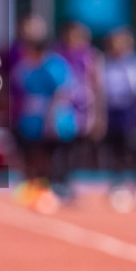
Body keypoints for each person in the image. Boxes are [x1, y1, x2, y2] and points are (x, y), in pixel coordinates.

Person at [10, 14, 78, 214]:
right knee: (32, 156)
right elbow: (21, 89)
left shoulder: (54, 64)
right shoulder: (25, 65)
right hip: (31, 121)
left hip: (55, 121)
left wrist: (52, 118)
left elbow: (62, 92)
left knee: (54, 157)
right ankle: (37, 189)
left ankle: (57, 189)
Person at [101, 27, 136, 212]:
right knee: (116, 151)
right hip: (112, 113)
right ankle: (117, 185)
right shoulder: (105, 63)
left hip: (131, 113)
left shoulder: (135, 64)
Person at [55, 21, 100, 202]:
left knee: (78, 147)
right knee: (60, 146)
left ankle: (70, 182)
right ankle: (57, 182)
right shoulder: (58, 54)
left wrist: (96, 113)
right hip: (63, 107)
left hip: (82, 108)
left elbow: (96, 84)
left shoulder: (90, 56)